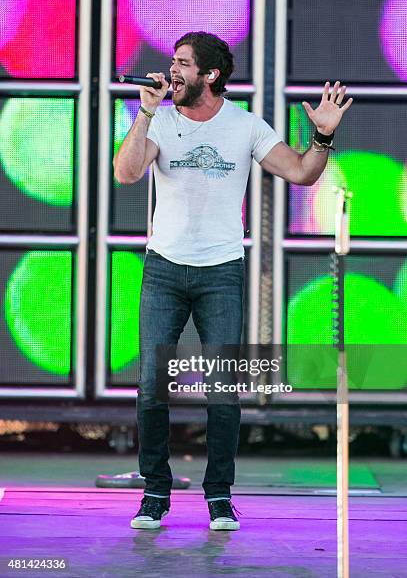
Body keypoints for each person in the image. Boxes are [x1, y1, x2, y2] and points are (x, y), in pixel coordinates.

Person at [113, 31, 353, 531]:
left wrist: (323, 137)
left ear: (210, 75)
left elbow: (302, 173)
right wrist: (146, 113)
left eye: (182, 64)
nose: (171, 70)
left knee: (223, 390)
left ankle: (219, 495)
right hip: (163, 269)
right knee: (152, 387)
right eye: (172, 62)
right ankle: (154, 492)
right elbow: (127, 173)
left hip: (221, 271)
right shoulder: (164, 119)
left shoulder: (245, 126)